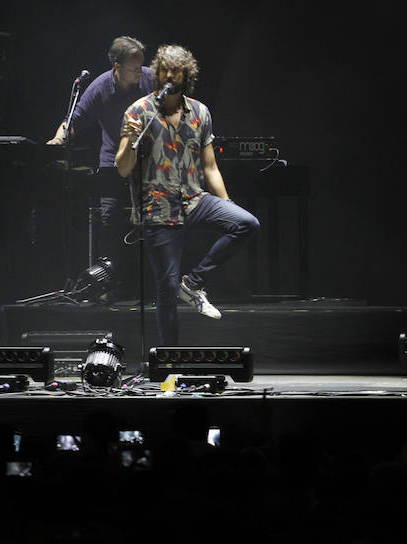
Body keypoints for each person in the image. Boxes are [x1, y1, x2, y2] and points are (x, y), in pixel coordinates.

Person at [115, 45, 259, 345]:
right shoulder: (139, 111)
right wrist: (130, 139)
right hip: (157, 208)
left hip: (194, 200)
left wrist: (225, 203)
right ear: (157, 73)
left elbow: (210, 167)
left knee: (246, 223)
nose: (170, 74)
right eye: (165, 69)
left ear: (186, 75)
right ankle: (170, 363)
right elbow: (123, 168)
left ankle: (193, 284)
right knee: (165, 290)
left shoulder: (200, 112)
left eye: (176, 70)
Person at [48, 36, 155, 300]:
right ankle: (110, 282)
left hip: (151, 162)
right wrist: (59, 138)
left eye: (140, 67)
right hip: (113, 162)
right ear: (116, 66)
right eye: (133, 68)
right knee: (109, 219)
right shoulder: (100, 87)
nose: (139, 73)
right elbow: (74, 118)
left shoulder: (151, 80)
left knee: (158, 219)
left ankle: (156, 284)